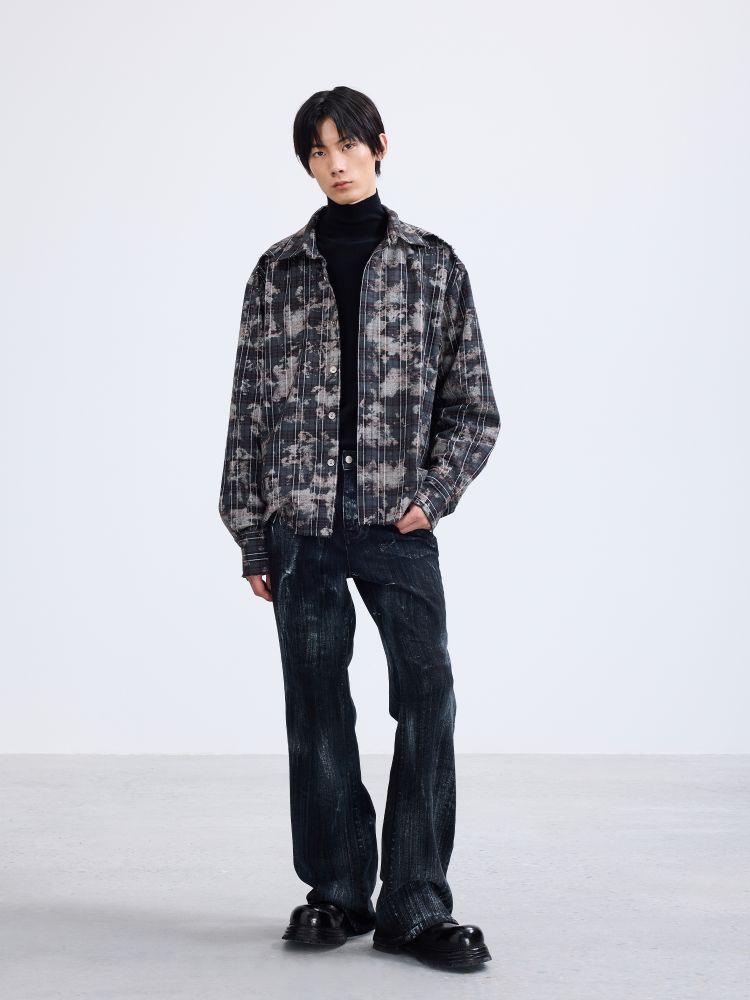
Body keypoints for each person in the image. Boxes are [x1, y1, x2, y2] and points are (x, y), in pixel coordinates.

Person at [219, 85, 501, 970]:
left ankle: (415, 903)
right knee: (315, 709)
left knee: (427, 695)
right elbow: (249, 409)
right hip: (300, 524)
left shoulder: (434, 266)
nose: (335, 164)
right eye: (318, 151)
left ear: (380, 146)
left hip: (396, 522)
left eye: (347, 145)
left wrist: (433, 493)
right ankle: (337, 893)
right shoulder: (277, 272)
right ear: (306, 163)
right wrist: (250, 530)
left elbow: (474, 409)